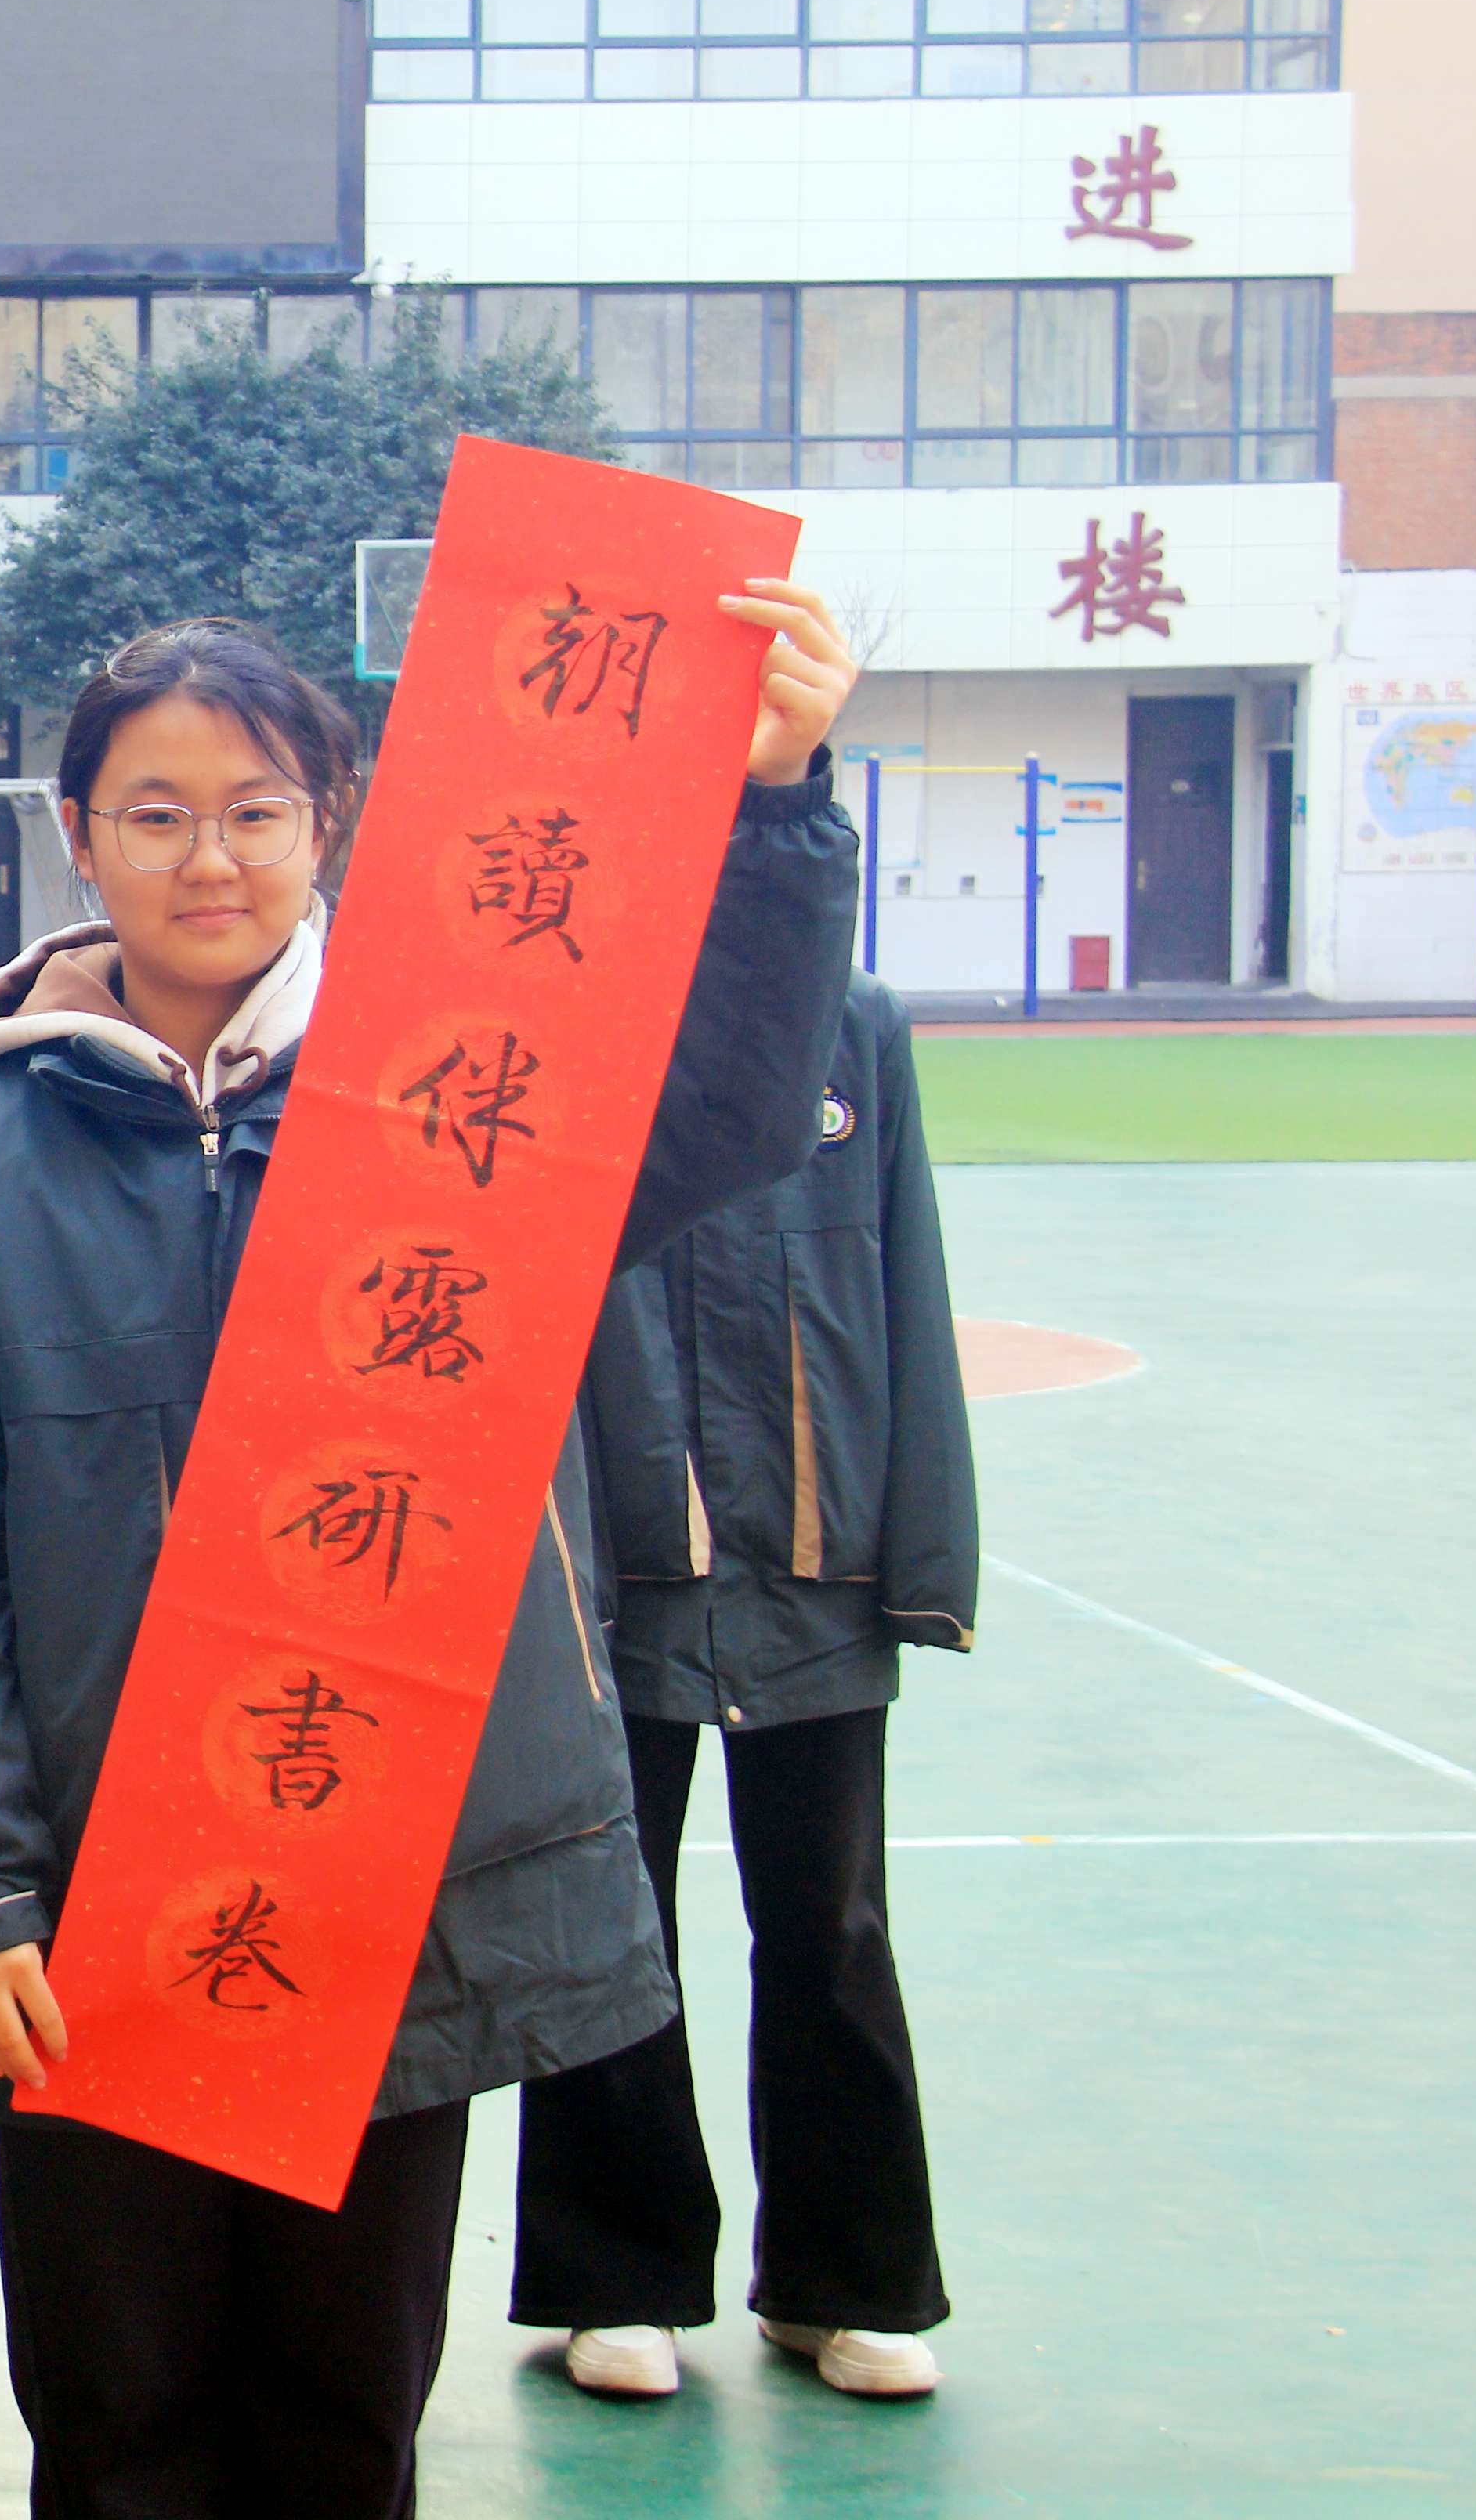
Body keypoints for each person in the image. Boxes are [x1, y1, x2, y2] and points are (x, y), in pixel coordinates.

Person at [0, 596, 863, 2517]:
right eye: (154, 814)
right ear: (78, 837)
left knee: (341, 2429)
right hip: (91, 1906)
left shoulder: (461, 1103)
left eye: (256, 810)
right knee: (116, 2437)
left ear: (331, 822)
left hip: (380, 1882)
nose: (207, 857)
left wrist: (777, 807)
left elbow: (728, 1109)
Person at [513, 969, 976, 2404]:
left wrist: (927, 1553)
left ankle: (850, 2282)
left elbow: (906, 1272)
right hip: (612, 1564)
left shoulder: (852, 1022)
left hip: (816, 1558)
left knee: (833, 1923)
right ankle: (618, 2277)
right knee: (607, 1925)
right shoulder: (558, 1022)